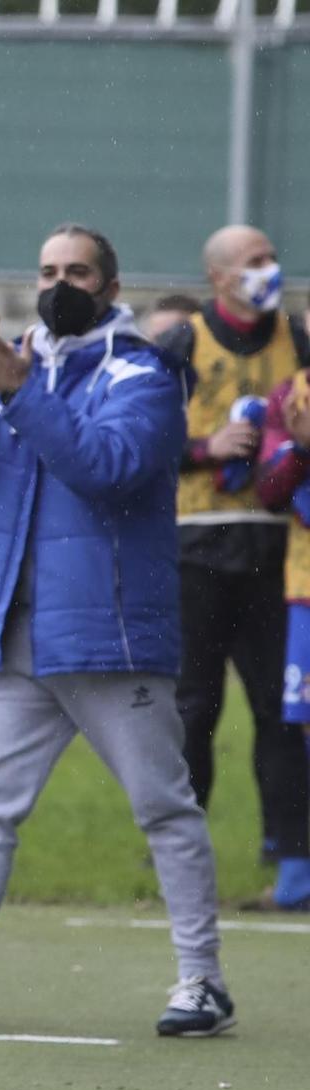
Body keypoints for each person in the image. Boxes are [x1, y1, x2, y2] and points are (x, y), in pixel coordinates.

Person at [0, 223, 233, 1037]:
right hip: (10, 631)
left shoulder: (141, 371)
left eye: (76, 271)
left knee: (164, 808)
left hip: (108, 639)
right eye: (45, 269)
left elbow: (107, 468)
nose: (57, 283)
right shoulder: (6, 367)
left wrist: (15, 392)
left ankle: (203, 981)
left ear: (111, 288)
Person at [156, 226, 310, 892]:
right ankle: (176, 861)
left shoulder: (296, 340)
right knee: (193, 708)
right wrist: (205, 448)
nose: (268, 271)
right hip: (195, 543)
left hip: (274, 546)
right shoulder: (182, 343)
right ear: (218, 277)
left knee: (281, 710)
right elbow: (136, 438)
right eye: (253, 263)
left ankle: (293, 863)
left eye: (271, 259)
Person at [250, 368, 310, 911]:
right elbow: (269, 490)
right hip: (306, 591)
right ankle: (298, 880)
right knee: (299, 734)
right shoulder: (291, 396)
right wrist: (301, 448)